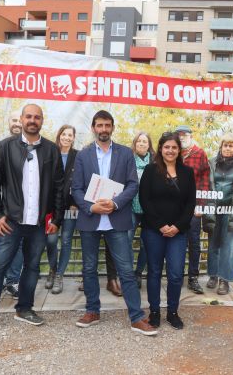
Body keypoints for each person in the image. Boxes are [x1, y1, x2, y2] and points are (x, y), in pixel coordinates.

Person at [0, 103, 64, 329]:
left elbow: (60, 188)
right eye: (29, 117)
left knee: (32, 267)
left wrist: (56, 219)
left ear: (42, 121)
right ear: (22, 120)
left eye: (37, 117)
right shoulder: (5, 147)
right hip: (11, 222)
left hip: (39, 223)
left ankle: (24, 308)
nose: (33, 121)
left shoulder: (51, 150)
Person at [71, 110, 157, 336]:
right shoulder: (83, 155)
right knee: (89, 268)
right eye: (99, 125)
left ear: (112, 127)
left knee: (126, 271)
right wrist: (91, 207)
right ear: (93, 128)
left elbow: (132, 185)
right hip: (91, 220)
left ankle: (137, 317)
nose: (103, 129)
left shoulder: (125, 154)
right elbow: (76, 188)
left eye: (107, 125)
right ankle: (92, 311)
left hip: (117, 219)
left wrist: (115, 203)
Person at [139, 132, 196, 330]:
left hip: (178, 233)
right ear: (161, 149)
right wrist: (160, 225)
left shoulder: (187, 173)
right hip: (153, 230)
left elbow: (190, 204)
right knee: (154, 272)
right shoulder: (150, 170)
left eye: (174, 147)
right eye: (166, 147)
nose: (170, 151)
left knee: (175, 274)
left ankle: (172, 312)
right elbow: (144, 200)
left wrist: (177, 226)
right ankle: (154, 312)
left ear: (179, 150)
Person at [203, 133, 233, 295]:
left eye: (230, 145)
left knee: (229, 247)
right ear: (221, 147)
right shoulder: (212, 163)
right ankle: (213, 275)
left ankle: (225, 280)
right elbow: (206, 186)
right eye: (225, 145)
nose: (227, 148)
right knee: (213, 245)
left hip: (232, 211)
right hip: (214, 210)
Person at [0, 110, 23, 298]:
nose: (17, 123)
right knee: (2, 245)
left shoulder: (31, 146)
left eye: (19, 120)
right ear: (9, 122)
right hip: (3, 208)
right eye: (13, 120)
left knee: (19, 246)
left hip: (23, 209)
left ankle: (13, 281)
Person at [174, 125, 210, 294]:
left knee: (194, 242)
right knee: (176, 241)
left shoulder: (199, 153)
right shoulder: (173, 153)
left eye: (184, 135)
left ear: (190, 136)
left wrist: (201, 205)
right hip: (175, 207)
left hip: (194, 206)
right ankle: (177, 276)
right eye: (179, 135)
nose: (181, 137)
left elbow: (205, 181)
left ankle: (193, 278)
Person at [45, 124, 78, 294]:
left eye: (69, 135)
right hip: (52, 207)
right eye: (63, 134)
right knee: (51, 241)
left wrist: (75, 203)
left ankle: (59, 275)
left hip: (71, 207)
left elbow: (81, 182)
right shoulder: (51, 152)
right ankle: (52, 269)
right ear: (59, 135)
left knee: (66, 241)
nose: (66, 137)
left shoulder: (77, 156)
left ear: (73, 138)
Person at [129, 132, 154, 289]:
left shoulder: (155, 162)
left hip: (149, 210)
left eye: (145, 141)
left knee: (146, 244)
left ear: (149, 145)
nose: (142, 144)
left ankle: (138, 272)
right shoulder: (128, 160)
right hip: (130, 207)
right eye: (139, 141)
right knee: (127, 240)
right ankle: (127, 273)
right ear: (135, 143)